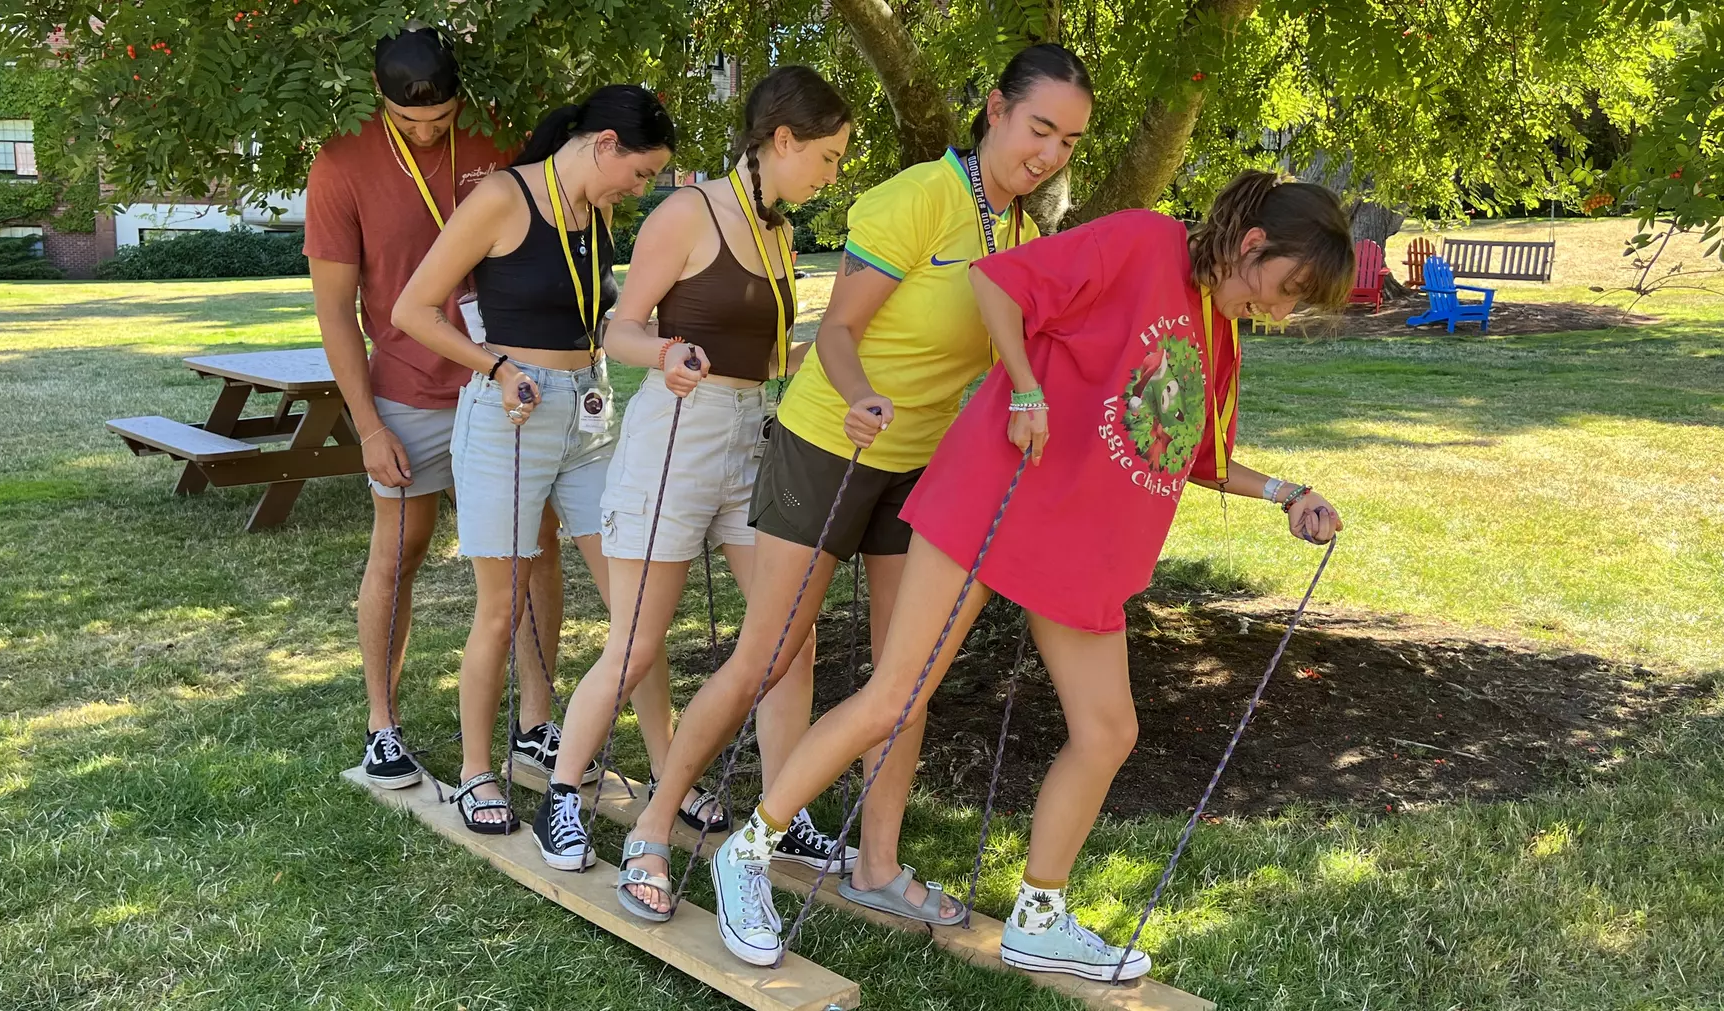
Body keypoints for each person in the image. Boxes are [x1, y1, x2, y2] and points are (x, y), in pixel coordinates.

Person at [711, 169, 1355, 979]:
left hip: (1079, 547)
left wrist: (1288, 493)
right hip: (993, 494)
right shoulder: (1143, 240)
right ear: (1252, 244)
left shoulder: (1219, 333)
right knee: (896, 696)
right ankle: (747, 851)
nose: (1284, 310)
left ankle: (1039, 914)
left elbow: (1192, 454)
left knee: (1109, 729)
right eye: (1288, 287)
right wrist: (1023, 388)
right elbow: (999, 282)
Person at [621, 45, 1095, 949]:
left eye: (1068, 140)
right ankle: (653, 831)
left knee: (901, 676)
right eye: (1040, 128)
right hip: (830, 443)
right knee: (767, 654)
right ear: (994, 109)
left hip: (920, 469)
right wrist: (863, 394)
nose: (1050, 152)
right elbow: (840, 330)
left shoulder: (1020, 236)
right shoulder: (919, 196)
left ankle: (876, 866)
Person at [526, 67, 858, 915]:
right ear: (779, 141)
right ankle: (562, 796)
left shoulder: (780, 231)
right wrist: (664, 353)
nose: (831, 174)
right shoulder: (690, 212)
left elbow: (774, 349)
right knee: (638, 642)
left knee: (788, 636)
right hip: (677, 433)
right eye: (824, 157)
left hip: (752, 437)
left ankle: (788, 808)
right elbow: (619, 326)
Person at [392, 86, 678, 833]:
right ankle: (476, 774)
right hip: (510, 413)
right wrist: (493, 368)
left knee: (634, 609)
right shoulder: (501, 196)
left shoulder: (597, 207)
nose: (641, 190)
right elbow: (413, 309)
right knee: (499, 607)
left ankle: (670, 774)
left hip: (588, 409)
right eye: (642, 173)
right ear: (605, 144)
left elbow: (599, 308)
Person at [306, 23, 570, 793]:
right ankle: (382, 726)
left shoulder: (494, 144)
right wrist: (367, 423)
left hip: (501, 387)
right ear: (379, 100)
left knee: (533, 549)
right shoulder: (342, 162)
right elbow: (334, 311)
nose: (427, 135)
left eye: (441, 121)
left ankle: (535, 726)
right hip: (406, 389)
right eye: (409, 122)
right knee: (400, 547)